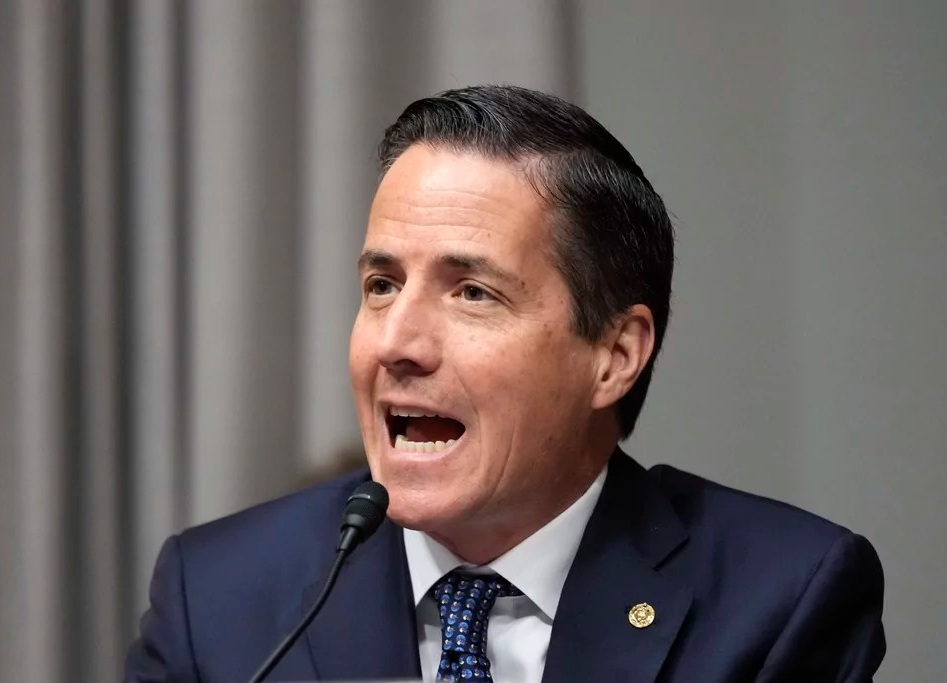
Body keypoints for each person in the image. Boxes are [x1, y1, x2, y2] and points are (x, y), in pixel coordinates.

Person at [124, 85, 884, 682]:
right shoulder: (218, 596)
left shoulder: (779, 597)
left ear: (615, 355)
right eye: (382, 284)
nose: (396, 343)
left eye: (472, 293)